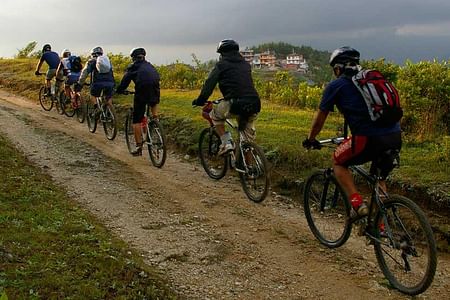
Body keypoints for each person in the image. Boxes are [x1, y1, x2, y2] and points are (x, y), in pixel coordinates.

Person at [303, 46, 402, 218]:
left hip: (368, 138)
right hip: (395, 136)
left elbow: (320, 117)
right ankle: (379, 227)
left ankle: (357, 205)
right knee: (380, 180)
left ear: (338, 68)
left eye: (335, 69)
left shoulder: (336, 85)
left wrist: (311, 138)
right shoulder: (370, 80)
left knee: (338, 162)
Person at [192, 39, 261, 155]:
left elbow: (209, 84)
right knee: (247, 141)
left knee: (215, 115)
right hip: (254, 103)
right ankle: (249, 170)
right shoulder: (246, 65)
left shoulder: (221, 65)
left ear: (222, 53)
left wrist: (200, 100)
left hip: (235, 103)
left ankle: (226, 142)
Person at [116, 47, 161, 156]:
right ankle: (156, 121)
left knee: (137, 120)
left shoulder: (133, 67)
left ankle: (138, 146)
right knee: (153, 102)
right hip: (155, 89)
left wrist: (119, 90)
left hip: (142, 91)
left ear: (133, 58)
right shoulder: (150, 65)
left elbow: (125, 81)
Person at [75, 46, 114, 113]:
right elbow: (112, 71)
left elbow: (84, 73)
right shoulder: (107, 61)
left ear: (92, 54)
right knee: (108, 97)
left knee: (93, 95)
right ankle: (109, 111)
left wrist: (80, 83)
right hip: (110, 82)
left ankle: (96, 108)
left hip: (97, 83)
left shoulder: (91, 61)